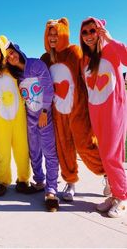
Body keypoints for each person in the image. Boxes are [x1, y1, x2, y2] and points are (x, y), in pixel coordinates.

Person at [41, 17, 105, 201]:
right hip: (58, 112)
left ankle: (107, 173)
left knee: (85, 145)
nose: (53, 37)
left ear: (63, 33)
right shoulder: (45, 59)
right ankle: (70, 181)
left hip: (77, 109)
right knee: (64, 148)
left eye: (56, 33)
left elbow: (89, 71)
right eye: (50, 34)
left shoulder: (74, 52)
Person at [80, 16, 127, 218]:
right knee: (106, 154)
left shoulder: (110, 50)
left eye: (93, 30)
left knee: (112, 155)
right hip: (96, 112)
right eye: (85, 32)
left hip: (114, 111)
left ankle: (122, 197)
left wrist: (109, 38)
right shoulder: (85, 60)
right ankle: (115, 194)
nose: (89, 35)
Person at [6, 42, 59, 212]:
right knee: (34, 152)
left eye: (12, 52)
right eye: (7, 56)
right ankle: (39, 181)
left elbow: (48, 87)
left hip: (45, 116)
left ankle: (51, 190)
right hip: (30, 120)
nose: (11, 57)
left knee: (50, 153)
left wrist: (44, 111)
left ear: (18, 51)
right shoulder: (16, 75)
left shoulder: (36, 64)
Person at [0, 36, 30, 196]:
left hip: (18, 115)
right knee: (1, 150)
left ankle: (23, 179)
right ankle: (2, 180)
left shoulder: (11, 67)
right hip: (0, 117)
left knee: (22, 148)